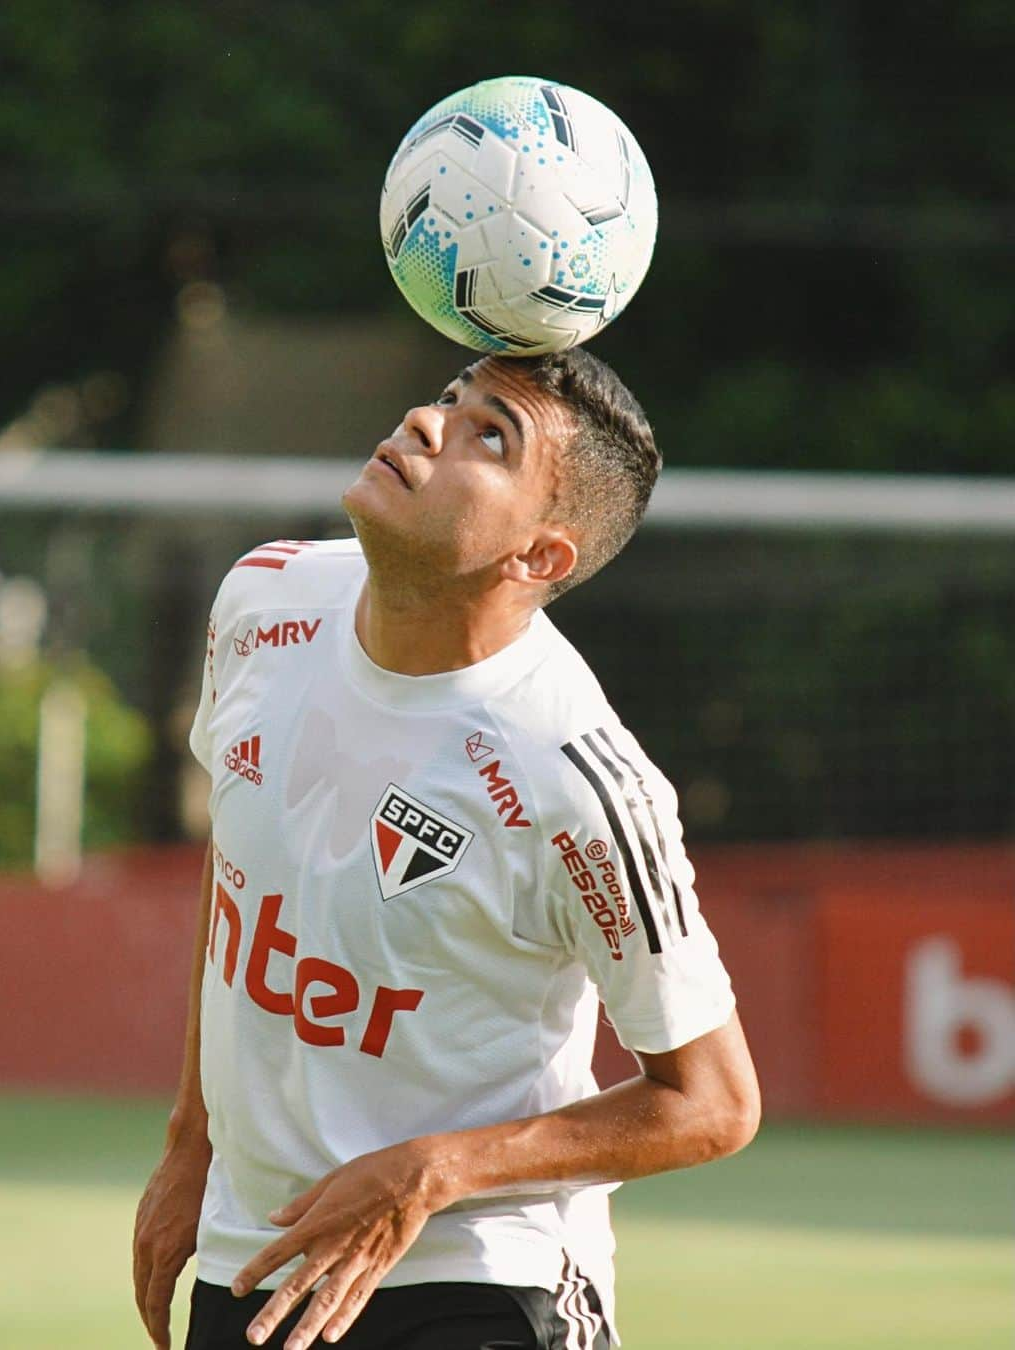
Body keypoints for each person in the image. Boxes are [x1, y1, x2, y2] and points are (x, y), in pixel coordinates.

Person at [133, 348, 761, 1350]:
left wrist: (439, 1172)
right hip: (260, 1256)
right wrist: (191, 1142)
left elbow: (715, 1103)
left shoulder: (577, 783)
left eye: (489, 436)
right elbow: (243, 862)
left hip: (480, 1277)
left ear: (541, 556)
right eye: (447, 398)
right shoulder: (262, 601)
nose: (428, 424)